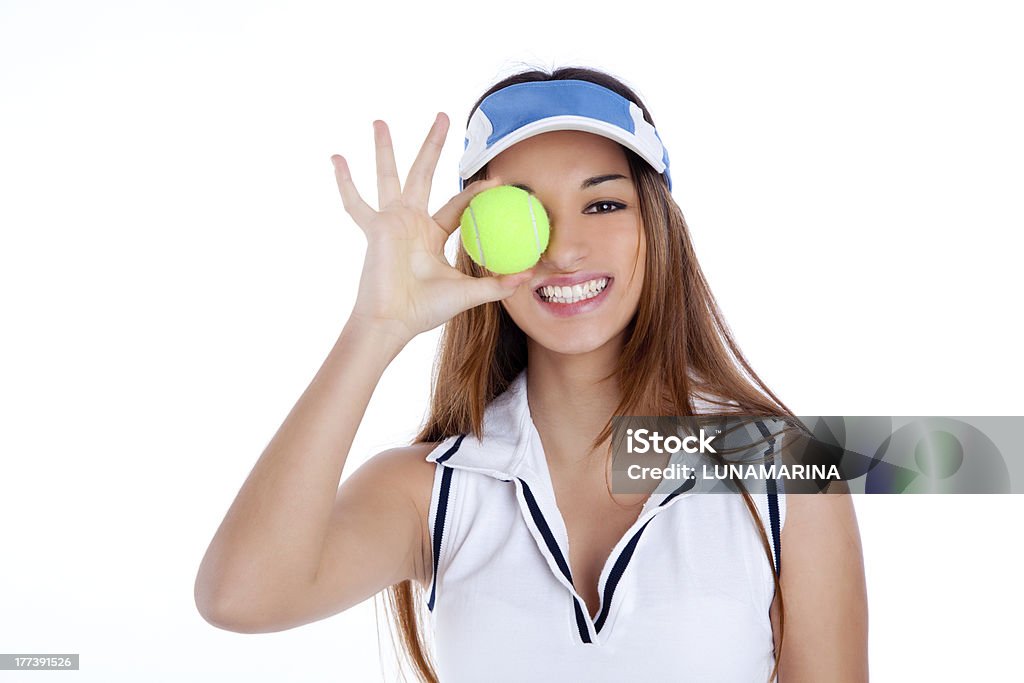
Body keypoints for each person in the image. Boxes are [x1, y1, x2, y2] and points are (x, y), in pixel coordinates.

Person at [194, 66, 869, 682]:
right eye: (520, 213)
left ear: (655, 227)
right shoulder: (434, 490)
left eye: (602, 204)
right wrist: (374, 329)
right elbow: (241, 595)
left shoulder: (781, 469)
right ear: (482, 250)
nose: (565, 248)